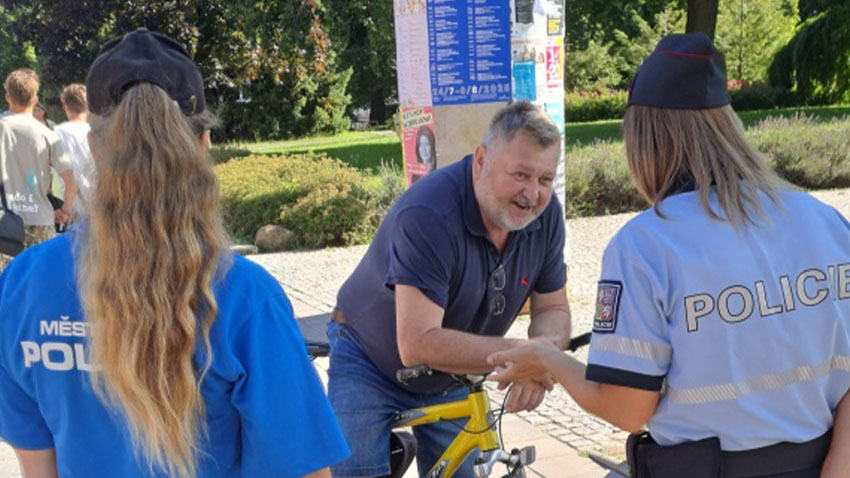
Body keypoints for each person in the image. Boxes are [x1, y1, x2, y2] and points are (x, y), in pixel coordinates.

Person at [487, 33, 850, 478]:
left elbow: (627, 407)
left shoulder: (646, 245)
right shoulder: (824, 221)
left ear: (644, 140)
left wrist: (547, 359)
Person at [0, 28, 349, 478]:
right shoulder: (244, 296)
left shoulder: (22, 286)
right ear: (202, 145)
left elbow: (37, 468)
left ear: (94, 147)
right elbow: (304, 471)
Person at [329, 100, 572, 477]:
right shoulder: (430, 214)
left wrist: (542, 357)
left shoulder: (546, 215)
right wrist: (528, 355)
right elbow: (418, 343)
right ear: (480, 160)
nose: (533, 193)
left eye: (544, 179)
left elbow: (552, 309)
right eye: (520, 174)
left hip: (455, 368)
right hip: (370, 361)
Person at [0, 68, 76, 271]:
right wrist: (64, 211)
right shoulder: (47, 134)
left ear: (7, 96)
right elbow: (70, 181)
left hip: (4, 221)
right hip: (40, 219)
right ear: (34, 99)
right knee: (40, 284)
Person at [54, 83, 95, 214]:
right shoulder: (99, 131)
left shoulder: (56, 133)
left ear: (65, 106)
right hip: (100, 208)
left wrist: (63, 210)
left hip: (71, 207)